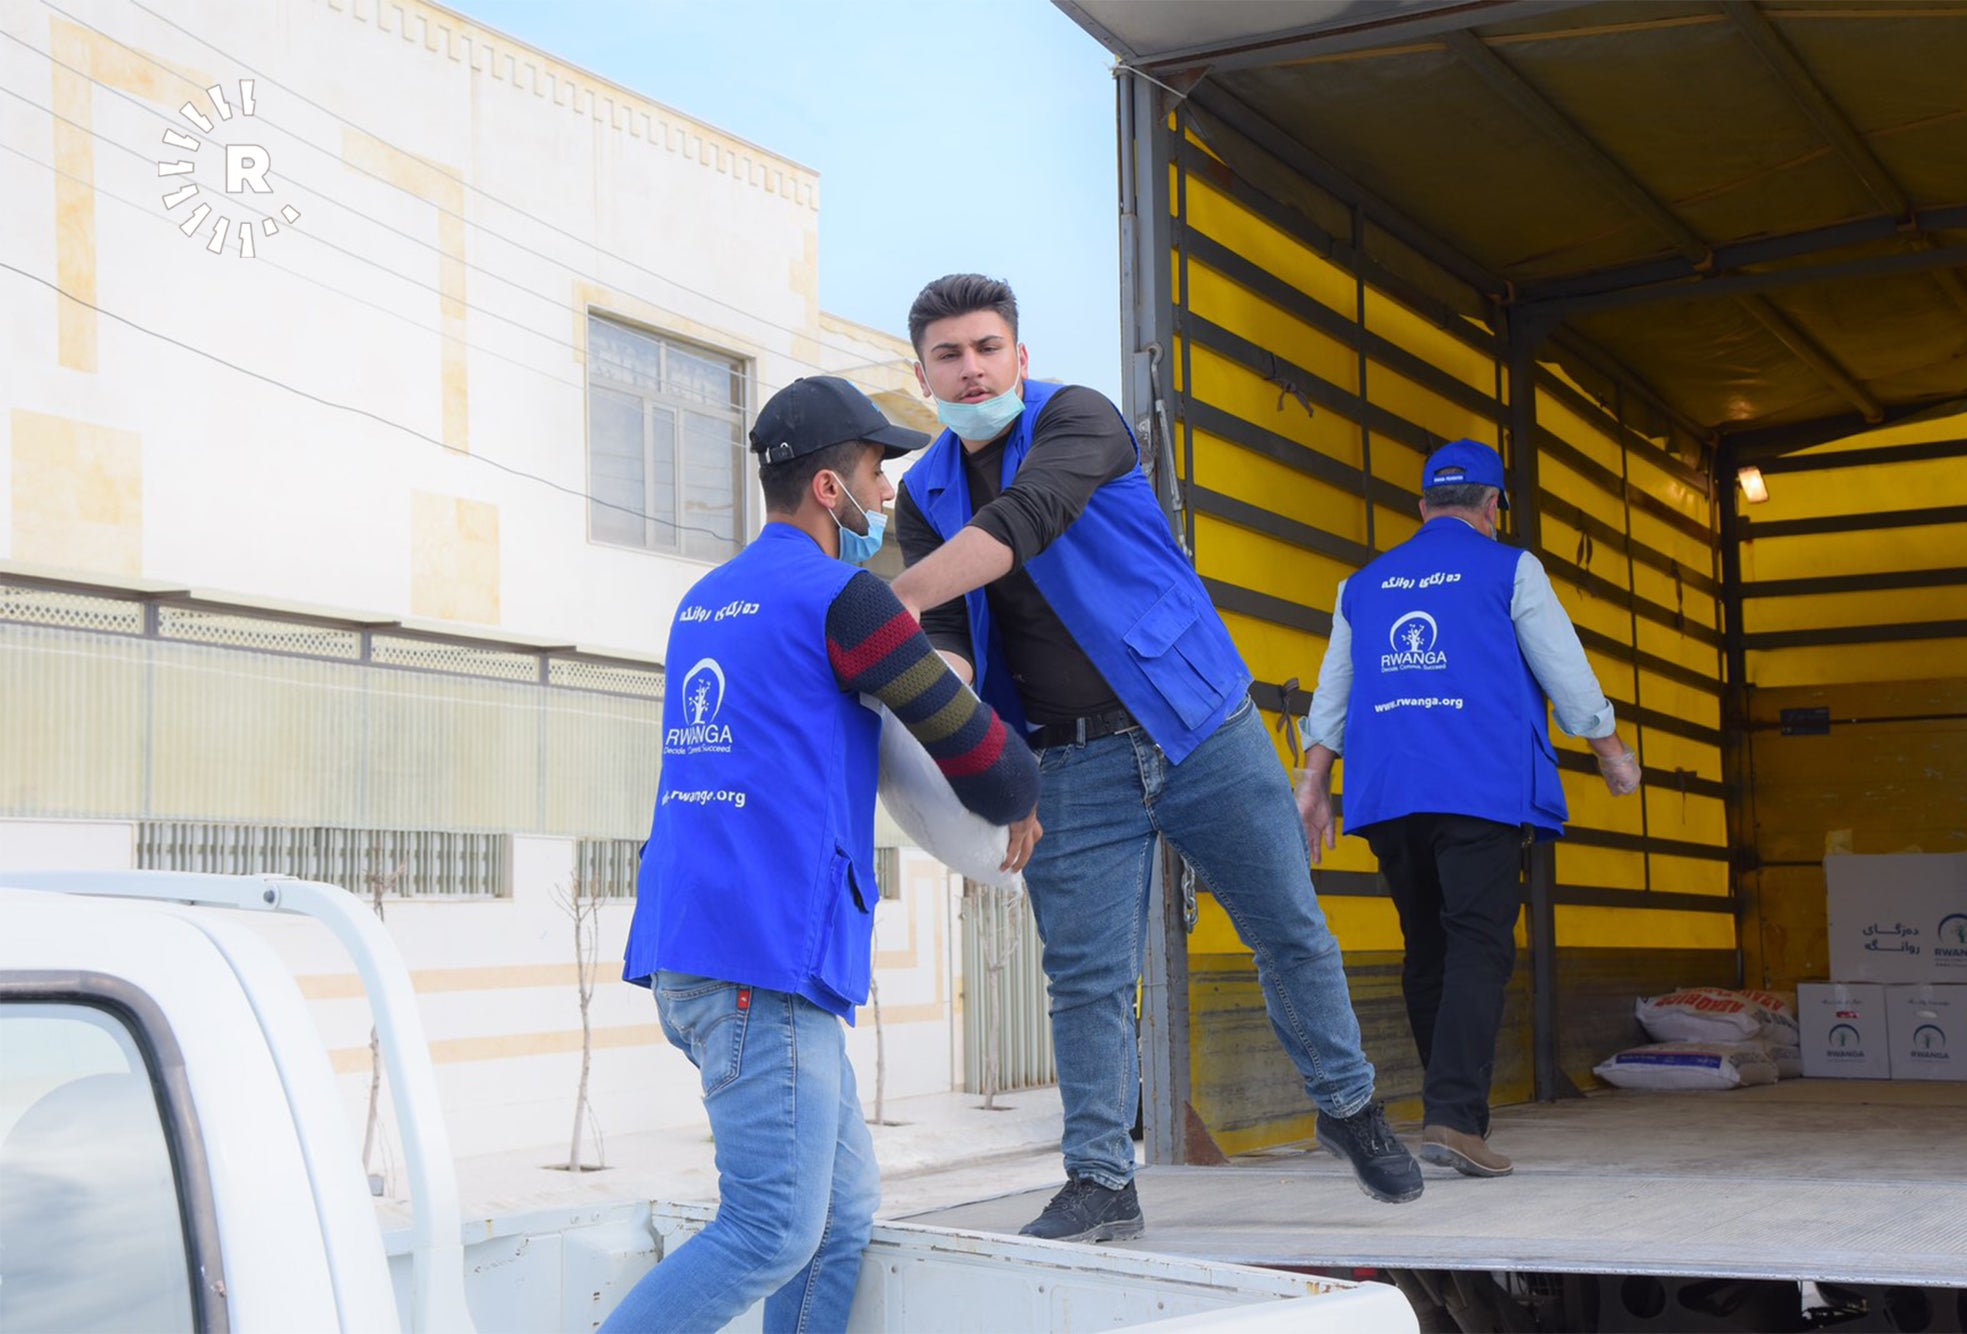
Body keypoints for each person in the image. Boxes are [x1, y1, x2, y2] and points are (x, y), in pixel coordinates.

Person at [890, 274, 1422, 1245]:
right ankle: (1101, 1179)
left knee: (1288, 927)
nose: (971, 369)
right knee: (1084, 979)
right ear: (921, 374)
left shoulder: (1078, 418)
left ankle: (1349, 1105)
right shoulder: (922, 495)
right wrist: (973, 754)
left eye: (986, 348)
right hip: (1066, 761)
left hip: (1197, 719)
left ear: (1018, 353)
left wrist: (880, 609)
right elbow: (951, 642)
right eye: (948, 355)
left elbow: (1026, 519)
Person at [605, 376, 1042, 1333]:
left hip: (698, 946)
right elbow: (995, 770)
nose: (887, 492)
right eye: (877, 471)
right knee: (770, 1230)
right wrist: (1004, 746)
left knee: (838, 1222)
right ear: (829, 489)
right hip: (759, 965)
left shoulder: (703, 602)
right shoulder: (848, 602)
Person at [1295, 438, 1642, 1179]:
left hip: (1390, 794)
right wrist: (1611, 750)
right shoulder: (1511, 568)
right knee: (1478, 945)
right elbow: (1565, 669)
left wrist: (1313, 784)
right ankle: (1454, 1118)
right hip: (1479, 789)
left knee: (1427, 949)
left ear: (1423, 507)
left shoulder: (1363, 584)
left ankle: (1447, 1114)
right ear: (1492, 507)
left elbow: (1334, 691)